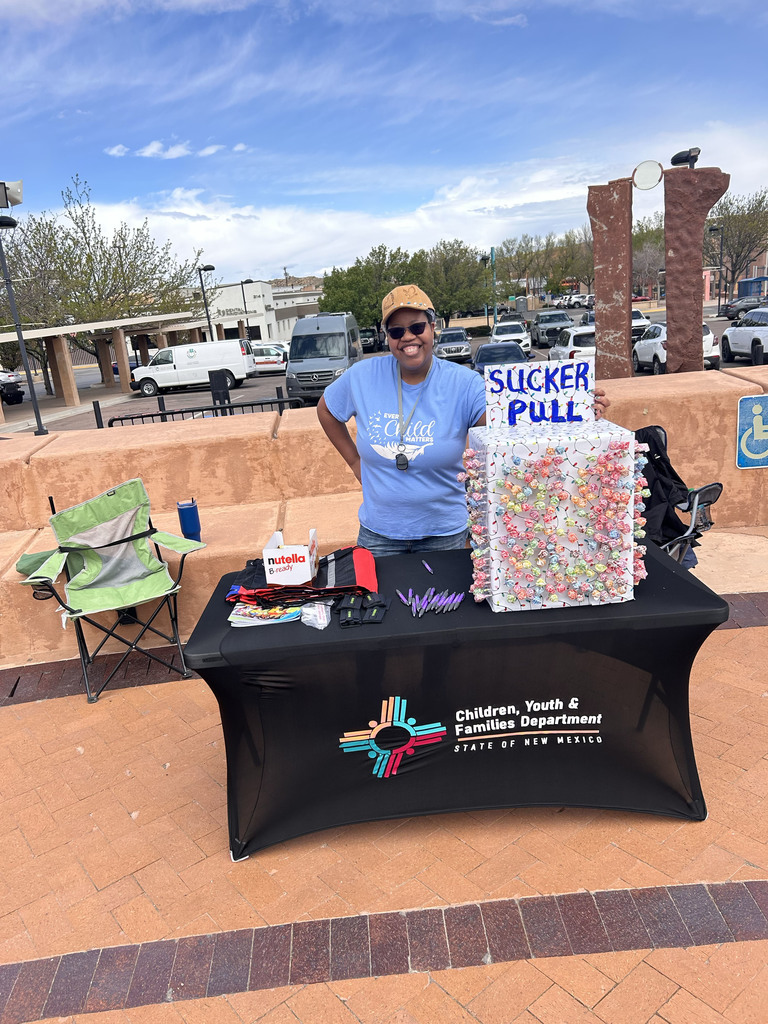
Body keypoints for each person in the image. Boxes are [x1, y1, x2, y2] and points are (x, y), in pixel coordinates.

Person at [318, 284, 608, 558]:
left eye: (417, 327)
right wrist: (356, 463)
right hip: (378, 535)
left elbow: (512, 427)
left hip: (445, 535)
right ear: (388, 338)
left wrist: (574, 408)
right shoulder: (362, 377)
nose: (408, 337)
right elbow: (326, 410)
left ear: (433, 328)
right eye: (396, 331)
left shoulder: (466, 384)